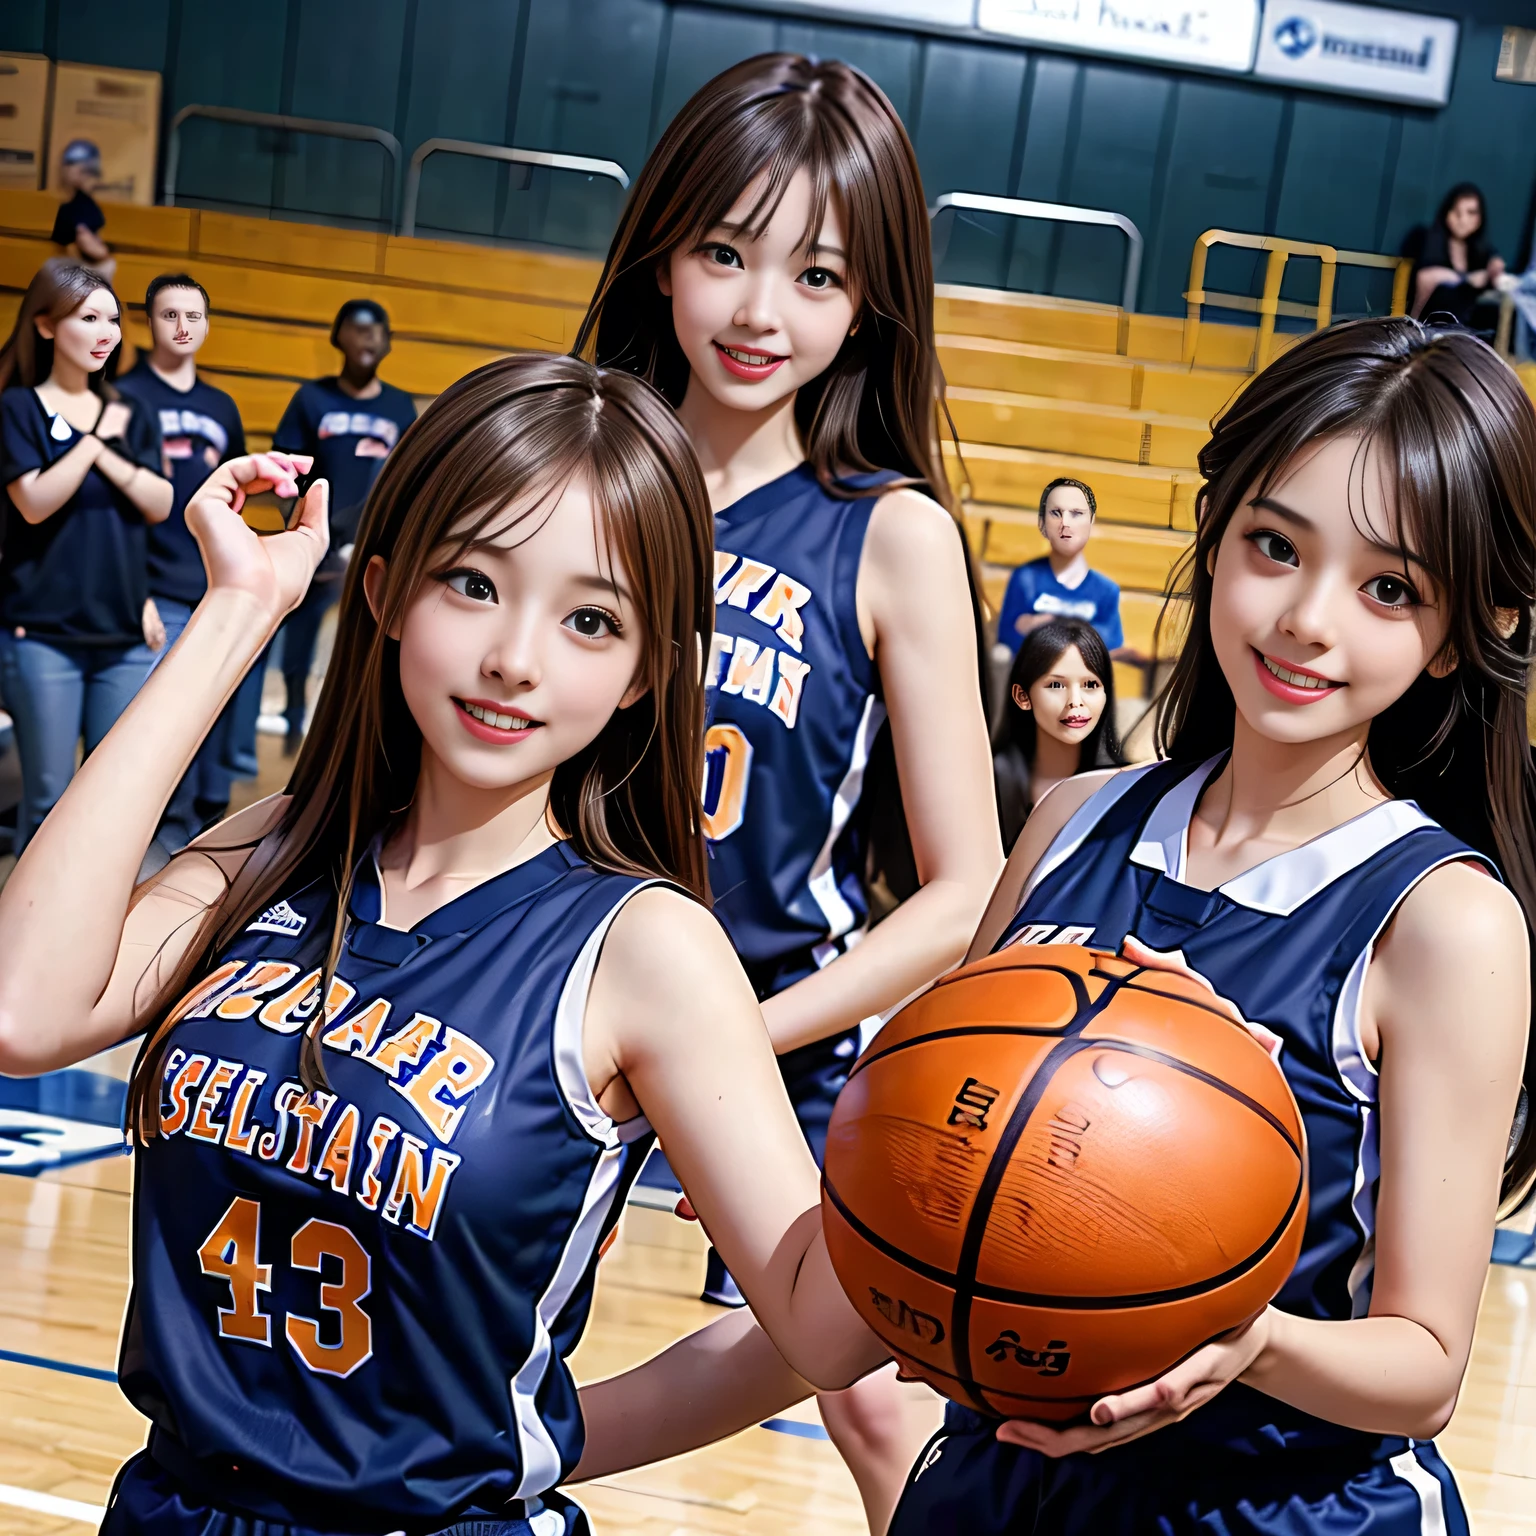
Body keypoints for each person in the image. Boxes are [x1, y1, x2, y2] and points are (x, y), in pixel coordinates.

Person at [0, 353, 893, 1535]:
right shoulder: (276, 849)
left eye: (590, 619)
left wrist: (538, 1440)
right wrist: (237, 614)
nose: (515, 657)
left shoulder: (646, 949)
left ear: (643, 675)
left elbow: (816, 1332)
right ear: (383, 592)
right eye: (473, 583)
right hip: (169, 1507)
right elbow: (23, 1012)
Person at [878, 316, 1535, 1533]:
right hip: (1000, 1482)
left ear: (1457, 638)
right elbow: (937, 1171)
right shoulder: (1071, 819)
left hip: (1281, 1505)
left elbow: (1428, 1366)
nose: (1307, 619)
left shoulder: (1446, 924)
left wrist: (1247, 1338)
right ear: (1216, 531)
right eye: (1274, 546)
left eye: (1390, 587)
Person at [577, 53, 1002, 1534]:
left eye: (817, 274)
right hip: (549, 994)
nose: (762, 312)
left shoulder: (890, 536)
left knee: (880, 1399)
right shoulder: (577, 470)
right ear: (661, 252)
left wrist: (731, 1039)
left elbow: (962, 891)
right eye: (723, 253)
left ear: (874, 299)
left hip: (776, 1023)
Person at [0, 259, 172, 853]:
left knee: (109, 798)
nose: (107, 332)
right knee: (48, 801)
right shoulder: (19, 408)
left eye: (114, 319)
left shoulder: (134, 412)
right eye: (89, 317)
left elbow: (158, 502)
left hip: (122, 636)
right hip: (41, 634)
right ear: (46, 326)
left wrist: (143, 596)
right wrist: (95, 440)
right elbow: (36, 503)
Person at [117, 272, 248, 863]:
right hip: (154, 587)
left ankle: (197, 829)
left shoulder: (221, 406)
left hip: (213, 584)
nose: (182, 327)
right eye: (170, 315)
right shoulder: (123, 399)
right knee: (159, 717)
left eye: (193, 316)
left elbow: (234, 495)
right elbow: (113, 512)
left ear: (206, 324)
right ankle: (151, 838)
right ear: (150, 322)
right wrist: (135, 591)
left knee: (208, 708)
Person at [270, 298, 416, 752]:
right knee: (301, 640)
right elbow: (286, 474)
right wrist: (307, 533)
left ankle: (357, 732)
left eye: (377, 330)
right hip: (322, 546)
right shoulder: (312, 399)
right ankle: (293, 716)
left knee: (367, 644)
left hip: (373, 549)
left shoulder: (398, 407)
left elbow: (408, 480)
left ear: (388, 343)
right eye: (357, 328)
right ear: (338, 338)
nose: (368, 337)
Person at [992, 616, 1124, 852]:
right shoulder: (991, 781)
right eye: (1056, 685)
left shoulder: (1124, 787)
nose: (1075, 702)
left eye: (1090, 685)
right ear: (1022, 696)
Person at [996, 477, 1124, 657]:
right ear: (1042, 523)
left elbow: (1110, 646)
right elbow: (1008, 636)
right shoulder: (1025, 578)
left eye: (1076, 513)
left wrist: (1046, 625)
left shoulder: (1106, 590)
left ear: (1091, 520)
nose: (1065, 523)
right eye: (1055, 513)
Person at [1409, 182, 1505, 325]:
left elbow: (1495, 268)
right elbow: (1425, 277)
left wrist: (1493, 269)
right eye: (1456, 212)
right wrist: (1465, 279)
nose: (1463, 220)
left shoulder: (1480, 250)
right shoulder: (1427, 237)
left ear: (1480, 218)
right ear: (1446, 213)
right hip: (1428, 326)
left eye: (1471, 213)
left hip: (1466, 330)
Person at [50, 138, 114, 281]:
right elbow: (84, 238)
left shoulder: (74, 205)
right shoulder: (80, 205)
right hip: (79, 268)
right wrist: (105, 256)